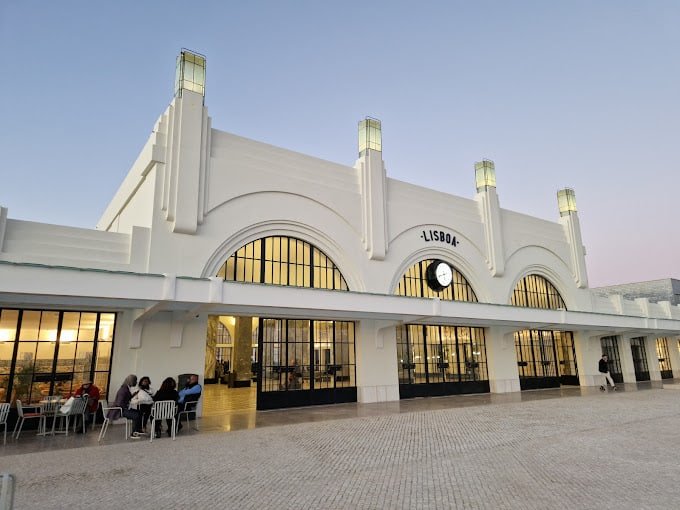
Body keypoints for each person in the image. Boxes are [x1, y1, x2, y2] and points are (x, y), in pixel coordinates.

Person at [108, 374, 144, 438]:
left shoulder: (126, 388)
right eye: (135, 381)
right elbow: (119, 403)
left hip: (122, 408)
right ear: (132, 381)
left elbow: (128, 398)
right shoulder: (124, 389)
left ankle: (138, 430)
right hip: (119, 410)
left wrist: (136, 393)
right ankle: (134, 433)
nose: (136, 382)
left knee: (140, 412)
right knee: (136, 415)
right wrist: (127, 407)